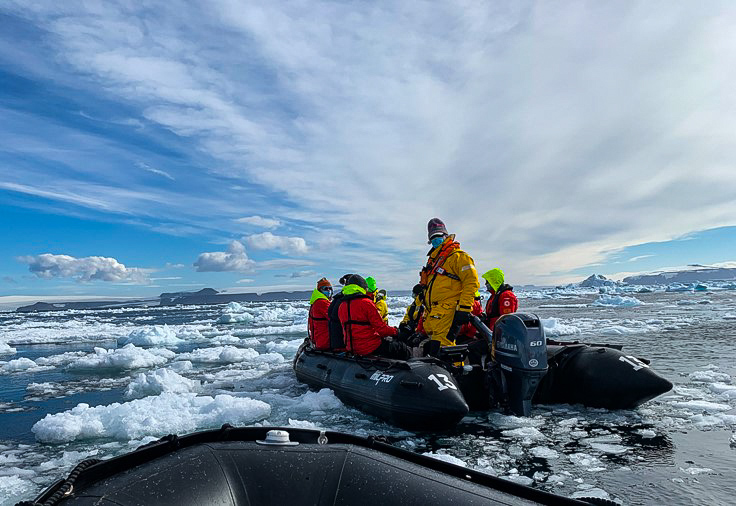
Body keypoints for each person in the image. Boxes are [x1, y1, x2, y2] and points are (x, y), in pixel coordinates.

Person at [419, 218, 480, 347]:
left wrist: (464, 308)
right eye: (433, 237)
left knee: (446, 350)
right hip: (435, 314)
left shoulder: (458, 257)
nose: (436, 240)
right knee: (438, 350)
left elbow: (471, 282)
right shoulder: (434, 262)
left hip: (449, 312)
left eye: (439, 236)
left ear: (446, 236)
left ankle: (456, 367)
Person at [338, 274, 410, 359]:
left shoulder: (342, 305)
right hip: (370, 346)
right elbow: (382, 329)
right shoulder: (366, 303)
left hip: (351, 347)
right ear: (362, 287)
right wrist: (397, 332)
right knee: (402, 349)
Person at [308, 278, 333, 350]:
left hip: (319, 339)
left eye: (330, 288)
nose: (328, 291)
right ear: (320, 290)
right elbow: (334, 318)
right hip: (325, 341)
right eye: (325, 288)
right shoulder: (322, 303)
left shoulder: (316, 301)